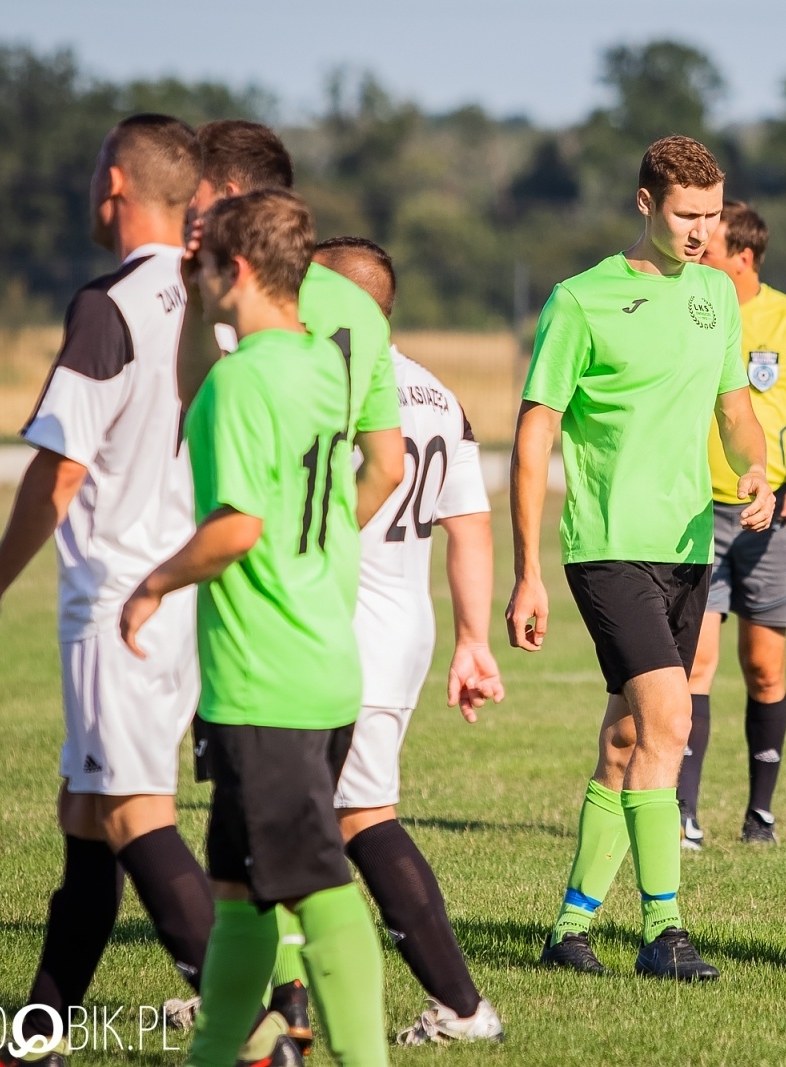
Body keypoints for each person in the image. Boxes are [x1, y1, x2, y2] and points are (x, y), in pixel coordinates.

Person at [0, 115, 286, 1067]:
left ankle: (256, 1034)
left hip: (115, 602)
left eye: (100, 171)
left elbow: (58, 475)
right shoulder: (213, 301)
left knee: (134, 814)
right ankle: (36, 1039)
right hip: (178, 599)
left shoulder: (112, 305)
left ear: (118, 187)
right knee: (86, 820)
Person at [120, 188, 395, 1067]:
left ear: (231, 271)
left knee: (319, 885)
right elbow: (208, 383)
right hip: (320, 662)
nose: (191, 283)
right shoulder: (323, 365)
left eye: (199, 269)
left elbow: (236, 525)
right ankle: (213, 1053)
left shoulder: (242, 384)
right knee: (237, 894)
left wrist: (153, 584)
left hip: (266, 678)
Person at [508, 136, 775, 981]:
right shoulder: (580, 301)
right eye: (686, 215)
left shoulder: (717, 298)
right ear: (644, 204)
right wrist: (526, 570)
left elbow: (735, 409)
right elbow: (532, 438)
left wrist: (758, 466)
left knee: (628, 736)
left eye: (712, 216)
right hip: (610, 547)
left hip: (691, 545)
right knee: (671, 723)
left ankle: (568, 928)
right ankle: (665, 931)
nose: (702, 232)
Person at [312, 237, 505, 1044]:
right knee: (302, 819)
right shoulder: (437, 393)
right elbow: (469, 527)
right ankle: (257, 998)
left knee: (355, 818)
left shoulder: (337, 381)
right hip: (401, 630)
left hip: (338, 624)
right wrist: (470, 638)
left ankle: (462, 1005)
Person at [679, 200, 786, 848]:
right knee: (696, 661)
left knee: (764, 668)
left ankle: (760, 814)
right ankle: (684, 815)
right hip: (696, 510)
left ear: (743, 258)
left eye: (710, 250)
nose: (697, 256)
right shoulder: (690, 309)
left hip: (771, 514)